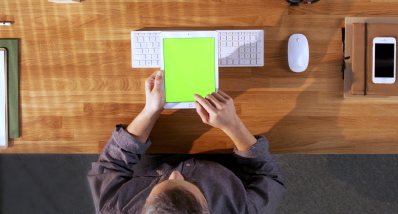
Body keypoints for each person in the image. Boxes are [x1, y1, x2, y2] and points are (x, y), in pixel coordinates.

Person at [88, 70, 286, 213]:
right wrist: (233, 125)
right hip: (225, 164)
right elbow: (269, 177)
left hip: (154, 159)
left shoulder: (114, 210)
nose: (175, 174)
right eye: (194, 186)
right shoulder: (242, 210)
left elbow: (111, 165)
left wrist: (150, 110)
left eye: (165, 183)